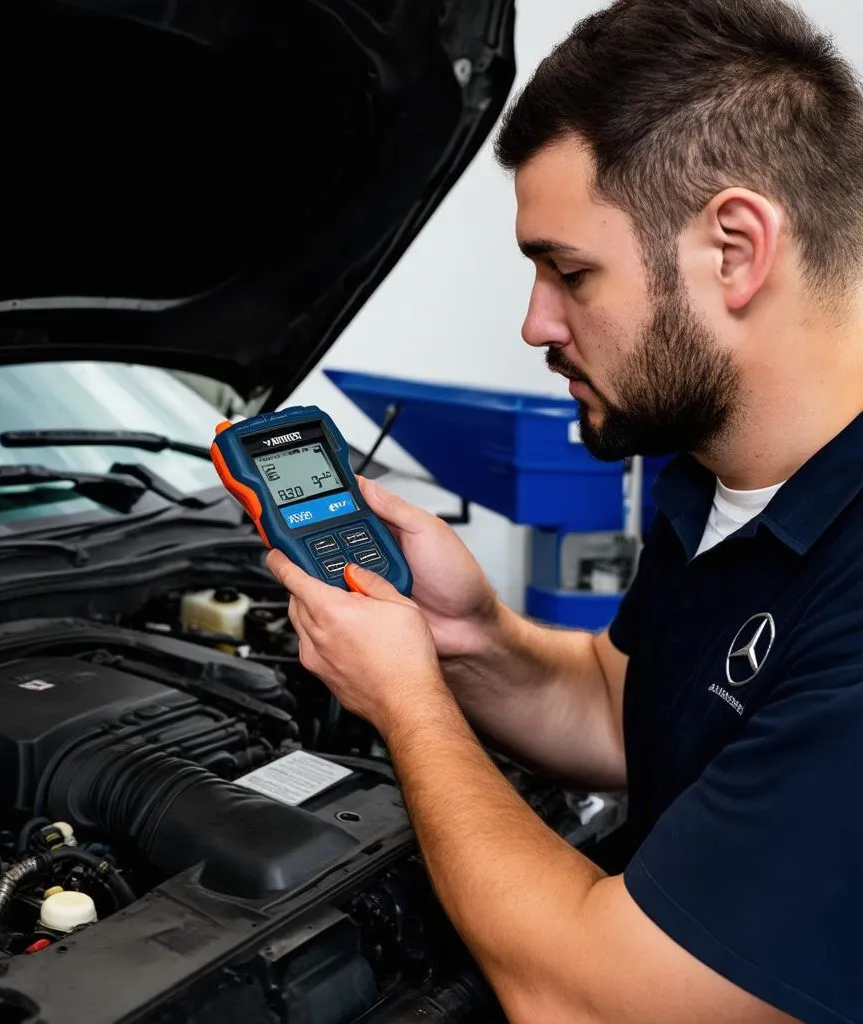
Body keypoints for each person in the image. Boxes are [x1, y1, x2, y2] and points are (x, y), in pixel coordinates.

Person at [266, 1, 863, 1021]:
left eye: (568, 269)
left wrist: (406, 702)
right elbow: (624, 710)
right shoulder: (716, 481)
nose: (536, 321)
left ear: (734, 248)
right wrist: (467, 639)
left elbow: (591, 1003)